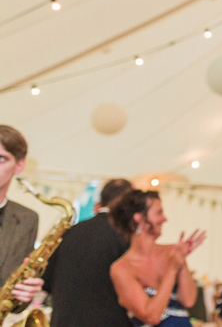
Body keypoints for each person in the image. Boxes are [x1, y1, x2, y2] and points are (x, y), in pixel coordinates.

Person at [42, 178, 134, 327]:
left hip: (63, 322)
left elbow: (46, 281)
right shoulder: (126, 236)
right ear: (128, 203)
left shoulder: (69, 232)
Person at [109, 190, 206, 327]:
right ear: (139, 219)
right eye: (159, 213)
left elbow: (188, 300)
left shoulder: (172, 252)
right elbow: (151, 316)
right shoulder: (121, 269)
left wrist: (181, 262)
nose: (164, 219)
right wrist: (172, 270)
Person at [0, 125, 43, 306]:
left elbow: (16, 304)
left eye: (1, 159)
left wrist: (25, 293)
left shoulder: (27, 219)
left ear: (19, 166)